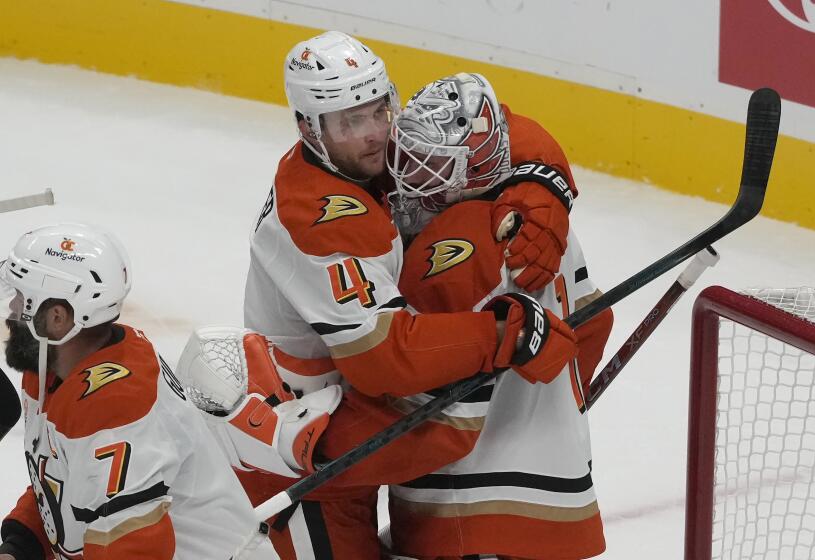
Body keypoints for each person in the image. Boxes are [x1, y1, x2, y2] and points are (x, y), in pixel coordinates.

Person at [236, 30, 582, 559]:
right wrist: (502, 334)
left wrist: (543, 188)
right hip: (313, 446)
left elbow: (496, 129)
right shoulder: (317, 216)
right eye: (351, 123)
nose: (376, 135)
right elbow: (384, 357)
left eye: (379, 110)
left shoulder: (361, 151)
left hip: (364, 414)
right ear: (309, 127)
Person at [383, 72, 613, 559]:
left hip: (469, 507)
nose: (412, 179)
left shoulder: (458, 240)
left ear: (474, 168)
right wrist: (553, 406)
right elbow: (595, 322)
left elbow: (408, 374)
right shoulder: (545, 222)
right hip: (558, 482)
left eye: (432, 167)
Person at [0, 224, 278, 560]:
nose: (12, 311)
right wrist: (21, 545)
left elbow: (134, 551)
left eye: (21, 299)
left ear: (58, 318)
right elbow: (63, 480)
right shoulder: (51, 371)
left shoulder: (117, 407)